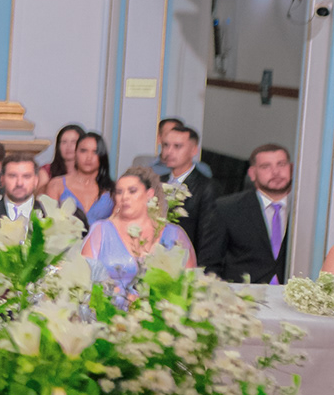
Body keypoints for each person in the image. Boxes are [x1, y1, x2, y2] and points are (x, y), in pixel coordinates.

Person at [81, 165, 193, 298]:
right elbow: (82, 281)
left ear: (149, 194)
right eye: (119, 192)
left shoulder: (174, 235)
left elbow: (190, 287)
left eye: (132, 191)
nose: (125, 197)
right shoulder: (101, 231)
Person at [201, 143, 293, 284]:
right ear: (252, 173)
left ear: (291, 168)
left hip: (295, 297)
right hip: (242, 298)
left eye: (281, 164)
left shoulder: (307, 210)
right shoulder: (227, 208)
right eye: (265, 166)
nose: (275, 172)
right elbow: (210, 263)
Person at [157, 124, 214, 262]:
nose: (169, 152)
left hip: (186, 261)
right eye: (166, 145)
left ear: (194, 150)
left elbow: (207, 237)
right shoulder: (157, 182)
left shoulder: (206, 187)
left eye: (177, 146)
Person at [46, 130, 114, 226]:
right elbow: (48, 224)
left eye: (95, 152)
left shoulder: (113, 190)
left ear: (102, 156)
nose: (89, 157)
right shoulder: (57, 185)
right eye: (83, 151)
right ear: (75, 153)